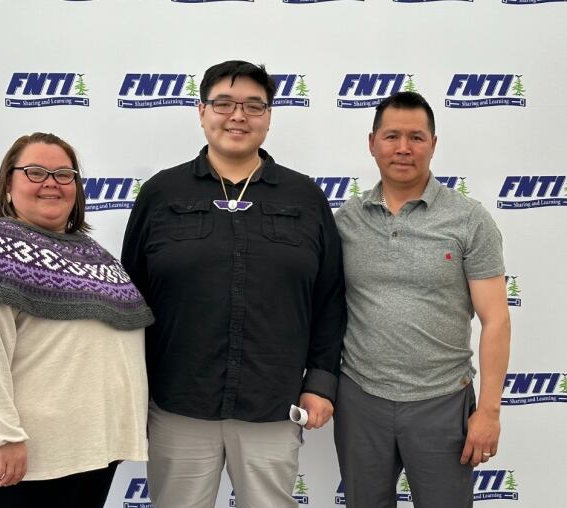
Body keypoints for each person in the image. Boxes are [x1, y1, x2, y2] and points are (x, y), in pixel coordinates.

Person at [121, 60, 346, 508]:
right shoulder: (161, 195)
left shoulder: (304, 198)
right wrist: (132, 389)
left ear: (269, 116)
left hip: (272, 403)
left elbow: (330, 298)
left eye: (253, 106)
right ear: (201, 111)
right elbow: (130, 298)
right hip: (177, 402)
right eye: (224, 103)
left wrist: (320, 383)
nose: (238, 116)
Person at [0, 133, 153, 508]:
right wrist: (2, 436)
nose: (51, 182)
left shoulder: (94, 254)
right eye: (35, 172)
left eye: (64, 174)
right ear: (7, 184)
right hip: (27, 456)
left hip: (92, 449)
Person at [333, 91, 511, 508]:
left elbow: (496, 320)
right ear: (372, 142)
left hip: (442, 401)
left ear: (433, 144)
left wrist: (488, 412)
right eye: (391, 136)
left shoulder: (469, 219)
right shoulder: (347, 220)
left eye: (416, 137)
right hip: (361, 399)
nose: (403, 148)